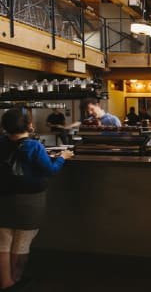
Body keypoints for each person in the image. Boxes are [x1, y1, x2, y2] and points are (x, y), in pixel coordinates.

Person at [0, 108, 73, 290]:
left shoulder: (1, 142)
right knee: (22, 242)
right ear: (29, 125)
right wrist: (62, 157)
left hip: (3, 198)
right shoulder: (33, 146)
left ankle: (5, 281)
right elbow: (50, 170)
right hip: (28, 202)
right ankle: (15, 281)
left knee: (3, 242)